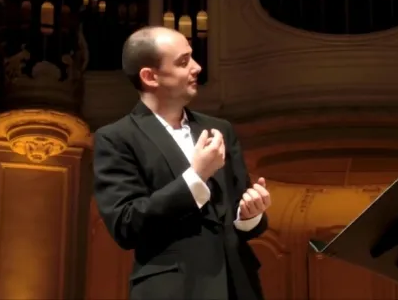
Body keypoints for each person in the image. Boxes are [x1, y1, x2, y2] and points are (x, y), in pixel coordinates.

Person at [92, 26, 271, 300]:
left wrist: (250, 215)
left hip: (237, 285)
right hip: (173, 289)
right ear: (150, 77)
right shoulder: (116, 138)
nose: (198, 67)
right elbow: (126, 225)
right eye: (183, 61)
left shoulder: (219, 128)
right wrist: (196, 177)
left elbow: (238, 216)